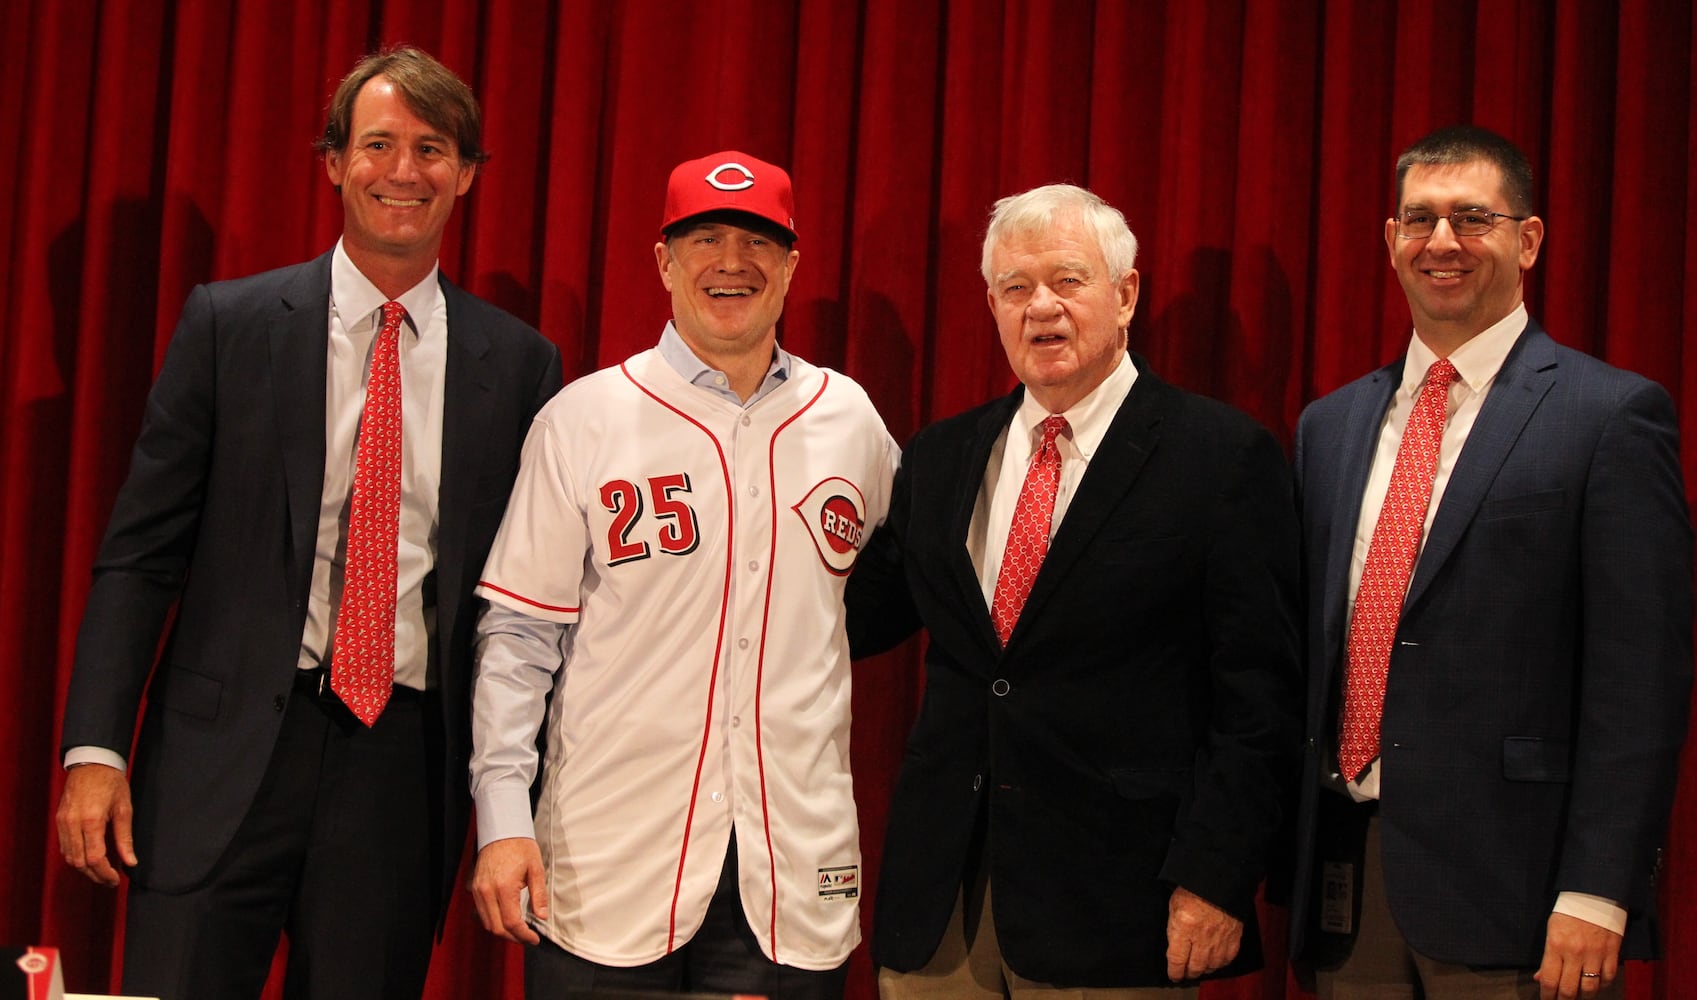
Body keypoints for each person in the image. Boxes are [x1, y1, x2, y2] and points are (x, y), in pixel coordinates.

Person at [53, 46, 562, 999]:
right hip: (217, 761)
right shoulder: (230, 326)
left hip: (400, 773)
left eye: (431, 147)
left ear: (467, 173)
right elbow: (140, 556)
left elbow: (519, 604)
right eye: (377, 144)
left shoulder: (522, 365)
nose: (403, 171)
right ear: (333, 161)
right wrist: (95, 749)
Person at [846, 183, 1303, 996]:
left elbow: (1259, 697)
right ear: (990, 304)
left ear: (1125, 295)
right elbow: (851, 619)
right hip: (943, 911)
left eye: (1068, 280)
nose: (1041, 308)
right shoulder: (942, 455)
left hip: (1120, 909)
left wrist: (1215, 876)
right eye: (1016, 289)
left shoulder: (1220, 457)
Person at [467, 150, 899, 999]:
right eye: (705, 237)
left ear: (792, 265)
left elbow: (903, 591)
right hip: (606, 863)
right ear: (663, 260)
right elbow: (520, 640)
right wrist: (502, 819)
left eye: (757, 241)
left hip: (787, 869)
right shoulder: (583, 418)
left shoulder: (849, 420)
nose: (731, 262)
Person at [1288, 125, 1692, 1000]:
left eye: (1472, 218)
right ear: (1389, 239)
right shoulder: (1329, 427)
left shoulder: (1611, 415)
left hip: (1524, 893)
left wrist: (1597, 888)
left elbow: (1641, 678)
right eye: (1418, 219)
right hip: (1346, 887)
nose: (1440, 242)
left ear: (1528, 239)